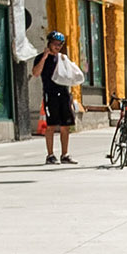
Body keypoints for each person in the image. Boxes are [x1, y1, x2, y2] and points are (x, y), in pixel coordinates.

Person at [32, 32, 78, 165]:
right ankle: (50, 155)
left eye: (60, 44)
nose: (58, 46)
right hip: (50, 94)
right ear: (49, 43)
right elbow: (35, 73)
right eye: (55, 44)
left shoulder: (62, 58)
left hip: (63, 93)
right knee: (51, 125)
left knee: (65, 125)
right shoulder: (41, 58)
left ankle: (65, 154)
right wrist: (45, 57)